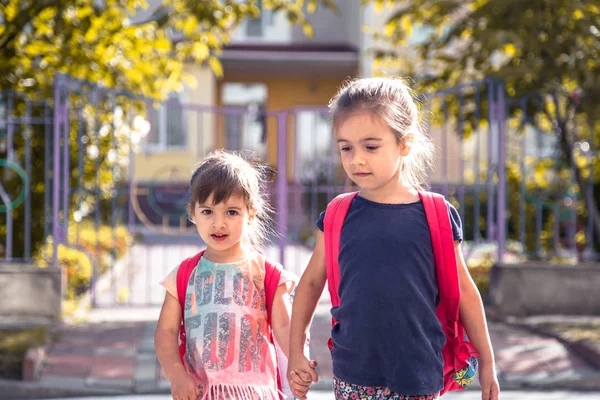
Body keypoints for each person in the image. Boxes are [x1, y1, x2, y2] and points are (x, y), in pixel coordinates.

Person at [287, 77, 500, 400]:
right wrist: (296, 351)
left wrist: (487, 361)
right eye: (346, 147)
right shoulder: (337, 215)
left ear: (405, 144)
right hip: (352, 374)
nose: (356, 159)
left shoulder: (436, 215)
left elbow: (465, 293)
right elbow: (311, 285)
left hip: (418, 373)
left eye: (371, 146)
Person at [155, 150, 296, 400]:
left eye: (231, 212)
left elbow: (285, 326)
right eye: (208, 211)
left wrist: (298, 361)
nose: (218, 223)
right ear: (192, 213)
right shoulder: (184, 276)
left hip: (257, 394)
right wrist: (177, 374)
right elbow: (166, 332)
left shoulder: (269, 275)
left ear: (250, 213)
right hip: (202, 393)